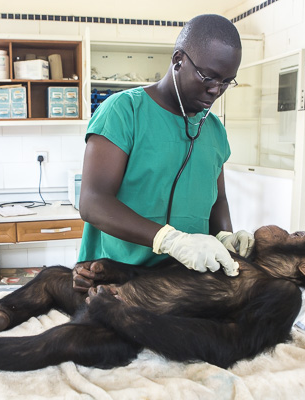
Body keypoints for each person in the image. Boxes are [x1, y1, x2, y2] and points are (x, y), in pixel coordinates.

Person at [75, 14, 254, 288]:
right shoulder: (124, 111)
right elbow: (93, 202)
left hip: (180, 284)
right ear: (178, 60)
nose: (216, 90)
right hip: (115, 277)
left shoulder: (215, 130)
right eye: (208, 77)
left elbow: (217, 201)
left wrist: (224, 239)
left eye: (227, 81)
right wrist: (170, 240)